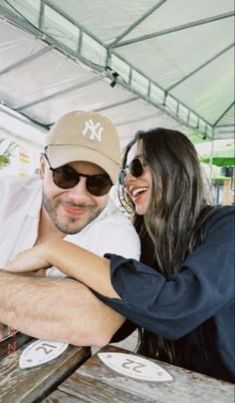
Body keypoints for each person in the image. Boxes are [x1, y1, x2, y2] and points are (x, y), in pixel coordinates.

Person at [6, 128, 234, 383]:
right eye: (124, 174)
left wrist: (55, 250)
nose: (128, 181)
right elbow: (118, 325)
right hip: (164, 385)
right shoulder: (146, 240)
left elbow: (177, 309)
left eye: (136, 167)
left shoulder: (227, 226)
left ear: (174, 164)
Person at [0, 110, 140, 343]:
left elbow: (95, 321)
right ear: (43, 167)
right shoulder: (5, 195)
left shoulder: (117, 232)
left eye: (98, 183)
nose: (78, 196)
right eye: (66, 175)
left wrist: (51, 250)